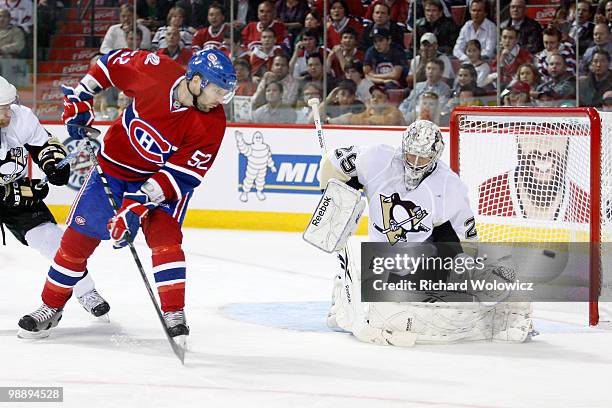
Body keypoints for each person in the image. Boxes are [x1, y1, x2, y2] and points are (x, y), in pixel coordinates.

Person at [17, 48, 237, 340]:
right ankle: (51, 306)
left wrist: (136, 204)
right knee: (74, 242)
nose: (221, 99)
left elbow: (183, 175)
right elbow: (108, 66)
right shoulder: (153, 70)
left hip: (162, 184)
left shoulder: (212, 121)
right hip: (113, 169)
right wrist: (82, 96)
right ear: (195, 81)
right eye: (218, 90)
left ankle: (173, 311)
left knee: (166, 241)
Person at [314, 120, 532, 345]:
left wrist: (465, 269)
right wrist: (334, 198)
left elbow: (466, 236)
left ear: (436, 156)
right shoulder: (377, 159)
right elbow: (331, 162)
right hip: (382, 260)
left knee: (449, 292)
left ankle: (507, 307)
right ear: (403, 148)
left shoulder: (449, 184)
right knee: (374, 299)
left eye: (424, 159)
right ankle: (342, 299)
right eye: (411, 156)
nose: (416, 164)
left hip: (425, 257)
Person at [0, 75, 110, 338]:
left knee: (52, 240)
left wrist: (52, 163)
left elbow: (44, 144)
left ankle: (86, 290)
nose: (8, 112)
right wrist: (11, 192)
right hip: (12, 189)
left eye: (8, 105)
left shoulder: (20, 116)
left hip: (14, 191)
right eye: (1, 109)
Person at [328, 84, 404, 126]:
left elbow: (381, 121)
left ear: (387, 100)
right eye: (373, 96)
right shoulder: (370, 111)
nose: (375, 99)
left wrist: (352, 120)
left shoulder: (394, 112)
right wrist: (330, 122)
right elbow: (353, 118)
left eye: (379, 97)